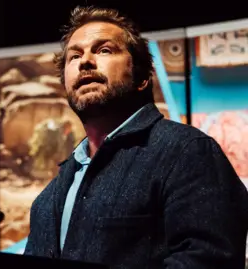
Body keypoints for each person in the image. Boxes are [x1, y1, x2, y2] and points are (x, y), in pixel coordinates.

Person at [24, 5, 248, 269]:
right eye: (74, 56)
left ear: (141, 77)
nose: (85, 61)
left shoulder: (186, 151)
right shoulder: (49, 197)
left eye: (104, 50)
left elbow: (208, 260)